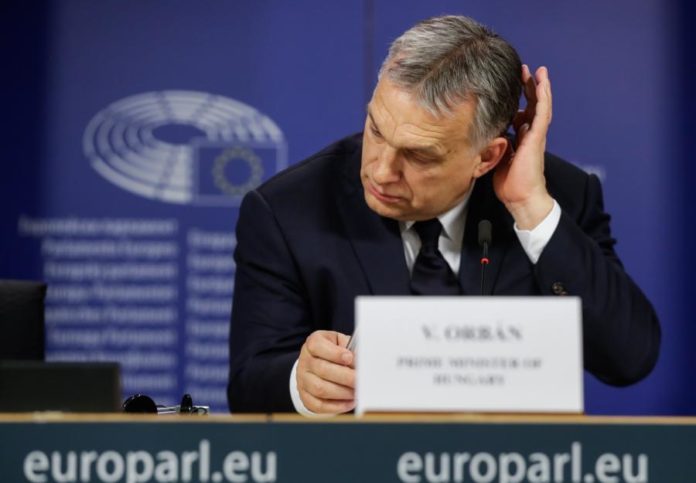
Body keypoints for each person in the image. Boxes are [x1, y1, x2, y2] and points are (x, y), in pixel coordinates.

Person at [227, 15, 660, 414]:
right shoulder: (290, 209)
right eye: (376, 130)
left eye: (419, 155)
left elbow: (628, 358)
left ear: (487, 157)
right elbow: (249, 385)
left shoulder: (558, 195)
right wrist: (302, 383)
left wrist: (530, 206)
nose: (380, 170)